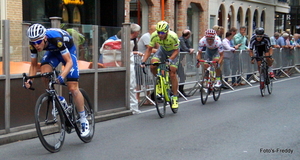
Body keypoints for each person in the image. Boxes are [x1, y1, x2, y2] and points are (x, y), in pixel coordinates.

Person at [24, 24, 90, 137]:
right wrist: (30, 80)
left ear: (44, 38)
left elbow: (69, 62)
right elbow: (34, 66)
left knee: (73, 88)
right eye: (33, 43)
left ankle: (83, 119)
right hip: (52, 53)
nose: (36, 45)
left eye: (38, 42)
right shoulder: (33, 45)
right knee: (44, 73)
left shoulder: (56, 39)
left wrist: (62, 76)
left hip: (68, 51)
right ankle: (58, 99)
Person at [140, 21, 180, 109]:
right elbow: (149, 49)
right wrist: (143, 61)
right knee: (153, 65)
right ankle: (159, 80)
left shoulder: (173, 36)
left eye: (162, 33)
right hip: (162, 50)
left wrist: (170, 59)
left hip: (173, 52)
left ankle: (175, 97)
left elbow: (176, 51)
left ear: (167, 32)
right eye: (158, 32)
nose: (160, 35)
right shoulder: (154, 35)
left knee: (172, 73)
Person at [136, 25, 157, 105]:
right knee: (139, 80)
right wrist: (160, 50)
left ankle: (148, 99)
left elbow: (157, 46)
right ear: (151, 30)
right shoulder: (146, 36)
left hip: (147, 61)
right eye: (156, 30)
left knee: (147, 81)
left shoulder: (153, 37)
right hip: (141, 61)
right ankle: (137, 98)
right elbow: (150, 49)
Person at [178, 29, 194, 97]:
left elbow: (189, 46)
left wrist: (190, 49)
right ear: (188, 35)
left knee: (182, 76)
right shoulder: (181, 39)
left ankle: (180, 91)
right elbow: (184, 48)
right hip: (175, 60)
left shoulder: (186, 40)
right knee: (180, 75)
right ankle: (177, 91)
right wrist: (189, 50)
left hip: (178, 61)